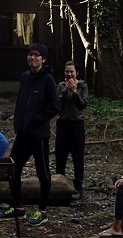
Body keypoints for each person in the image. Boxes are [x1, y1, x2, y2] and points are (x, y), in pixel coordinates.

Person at [0, 42, 61, 227]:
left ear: (43, 59)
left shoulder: (48, 80)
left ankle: (42, 211)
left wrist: (36, 119)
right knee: (13, 170)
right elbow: (20, 103)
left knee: (43, 174)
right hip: (23, 134)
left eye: (36, 55)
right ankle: (18, 207)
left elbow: (55, 107)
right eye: (30, 55)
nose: (32, 58)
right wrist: (18, 122)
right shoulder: (25, 77)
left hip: (39, 135)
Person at [55, 59, 89, 201]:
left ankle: (78, 188)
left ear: (77, 73)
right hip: (62, 125)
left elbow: (82, 105)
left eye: (72, 71)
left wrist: (74, 91)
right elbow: (57, 105)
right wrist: (65, 91)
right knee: (60, 156)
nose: (69, 74)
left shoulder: (83, 86)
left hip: (76, 125)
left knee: (77, 157)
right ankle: (59, 185)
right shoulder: (61, 85)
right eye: (67, 71)